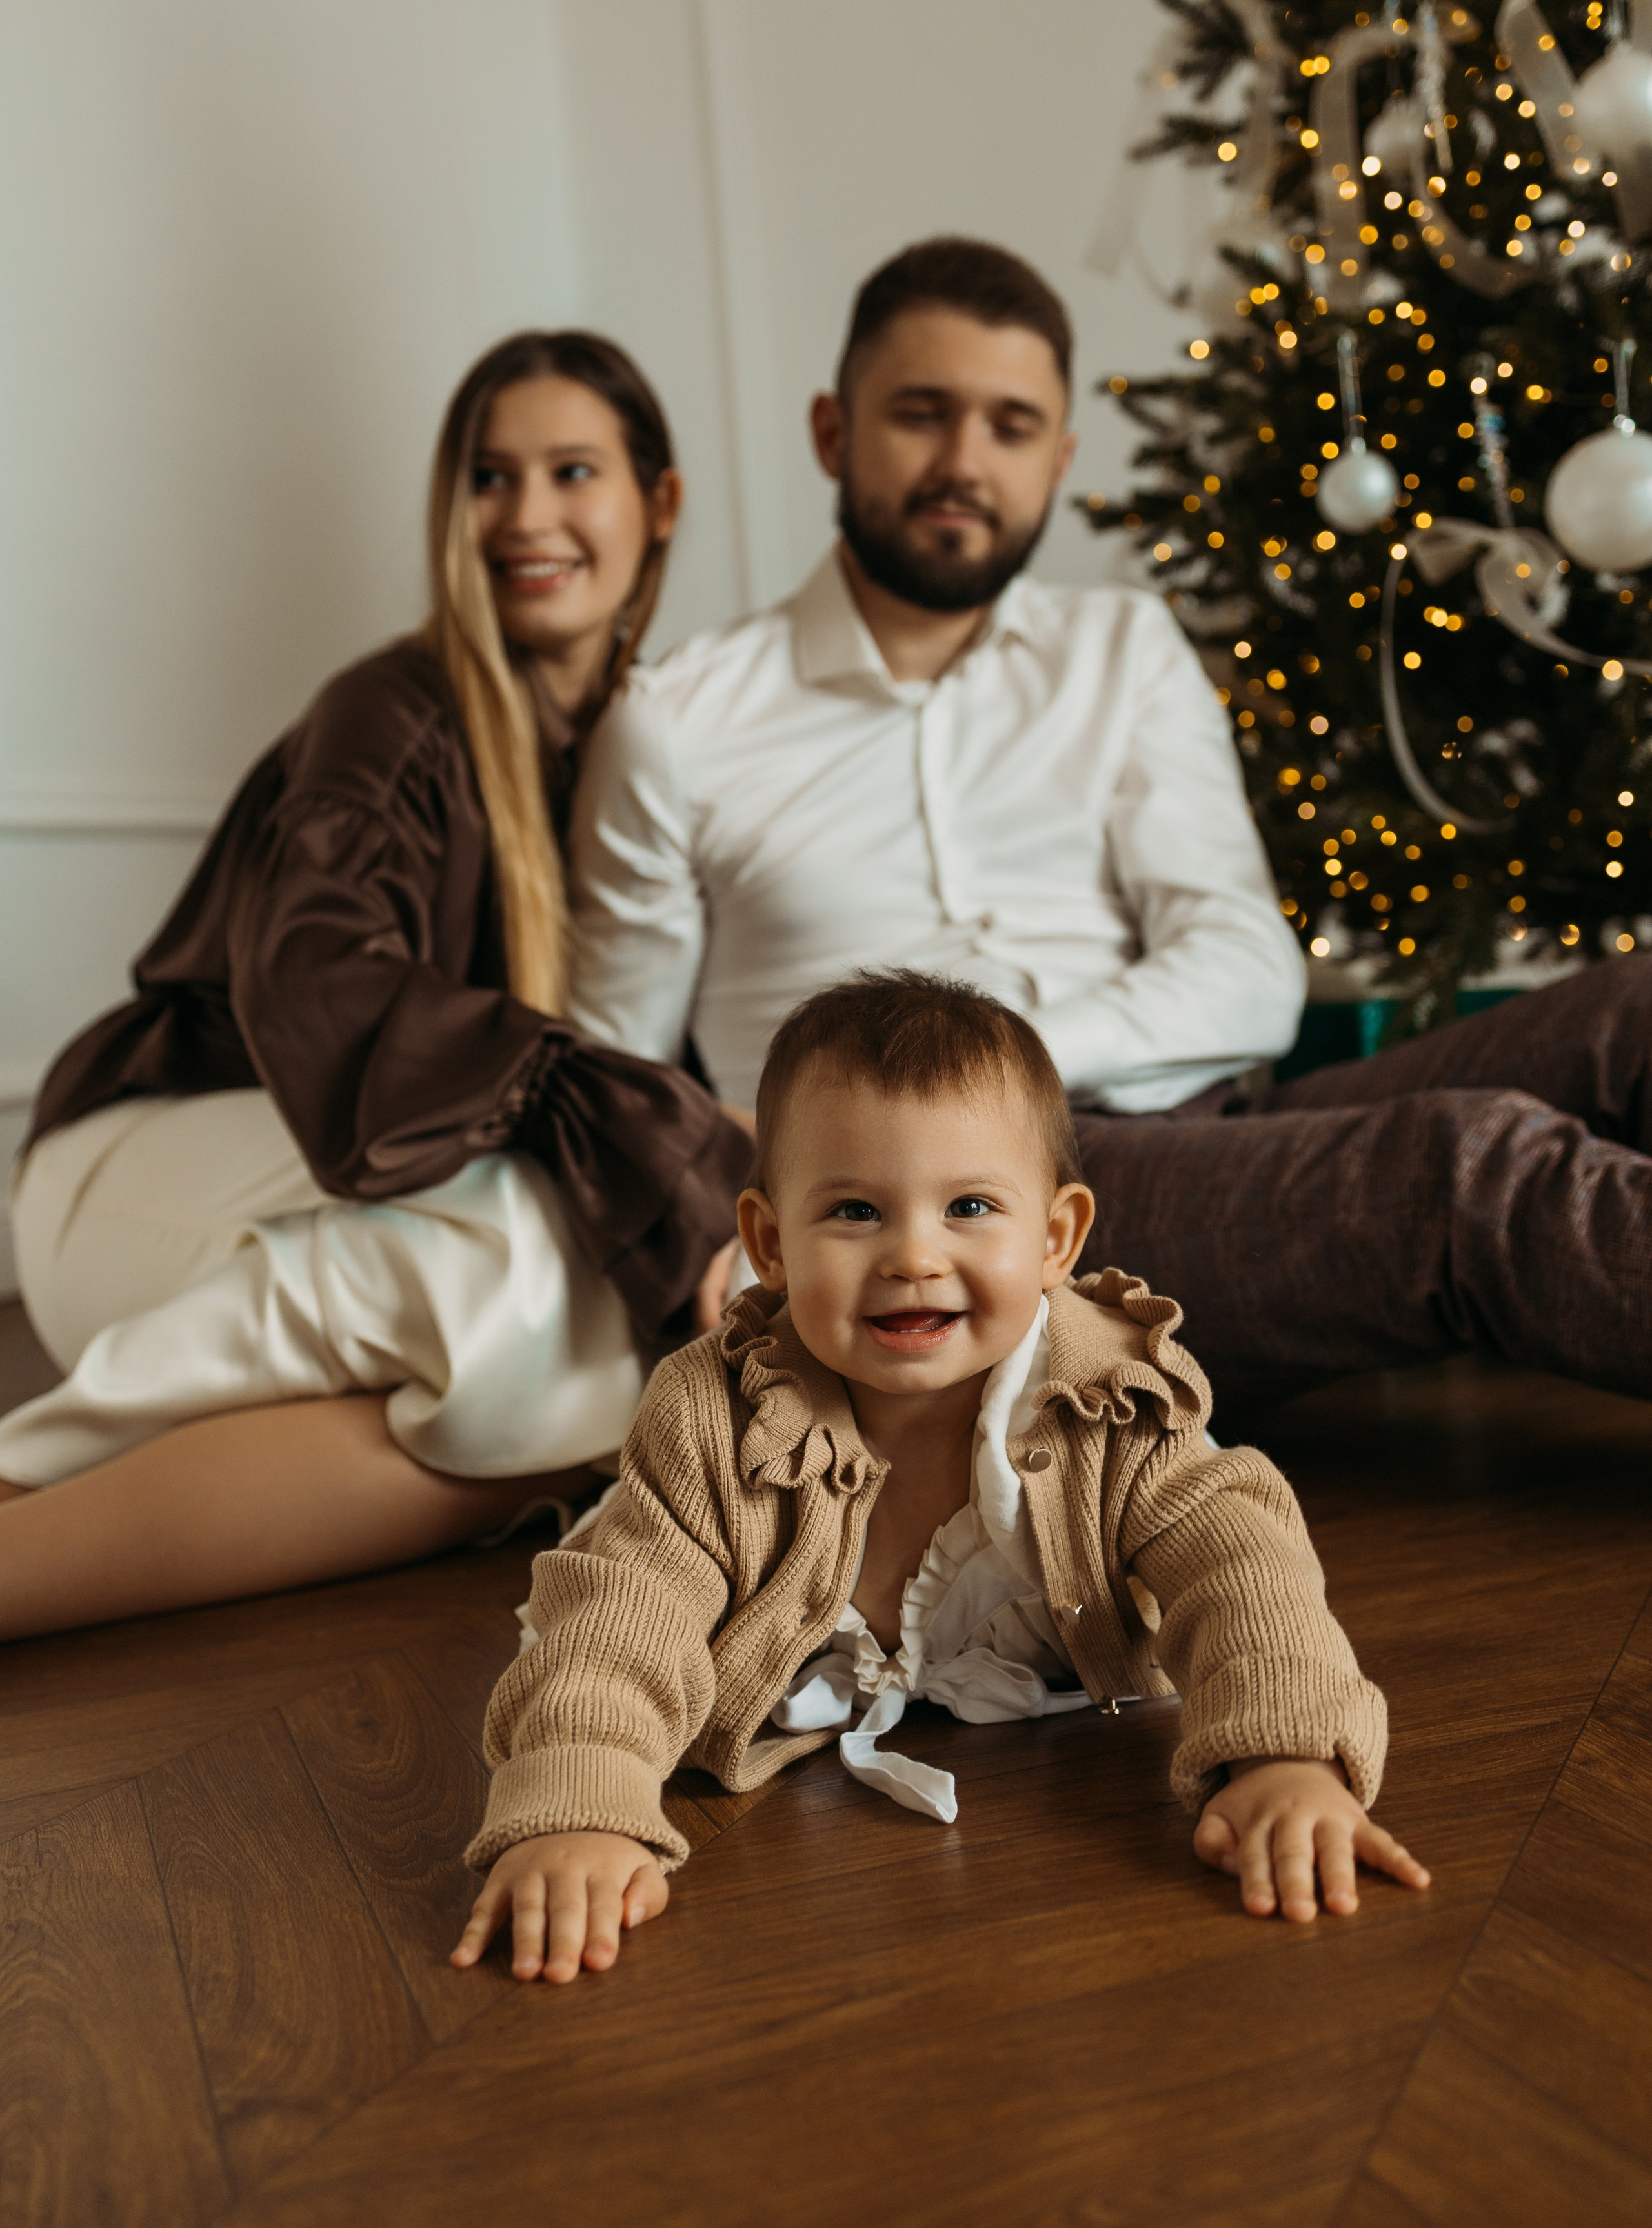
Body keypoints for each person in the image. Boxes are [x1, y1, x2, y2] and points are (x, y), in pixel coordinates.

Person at [564, 235, 1652, 1412]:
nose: (964, 462)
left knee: (1632, 1016)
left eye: (1012, 426)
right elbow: (616, 1088)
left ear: (1061, 456)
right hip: (966, 1214)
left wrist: (1000, 1055)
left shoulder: (1121, 654)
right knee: (1468, 1176)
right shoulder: (680, 718)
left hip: (1217, 1128)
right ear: (835, 433)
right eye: (922, 414)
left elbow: (1245, 974)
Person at [452, 973, 1425, 1984]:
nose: (915, 1255)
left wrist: (1286, 1759)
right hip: (725, 1624)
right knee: (619, 1568)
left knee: (1228, 1528)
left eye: (969, 1207)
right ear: (768, 1245)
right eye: (857, 1211)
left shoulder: (1111, 1402)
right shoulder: (713, 1420)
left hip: (1063, 1733)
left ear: (1055, 1239)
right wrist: (575, 1805)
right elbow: (625, 1621)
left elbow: (1243, 1571)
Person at [0, 330, 749, 1641]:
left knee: (573, 1380)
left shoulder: (656, 746)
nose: (526, 515)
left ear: (659, 502)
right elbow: (321, 992)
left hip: (354, 1246)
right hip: (137, 1180)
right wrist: (634, 1128)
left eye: (572, 471)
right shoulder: (390, 712)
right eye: (487, 477)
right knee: (526, 1254)